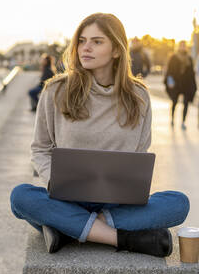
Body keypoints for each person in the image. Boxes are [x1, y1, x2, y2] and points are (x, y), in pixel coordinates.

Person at [10, 13, 189, 256]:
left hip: (117, 203)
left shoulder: (139, 97)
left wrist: (129, 186)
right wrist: (55, 181)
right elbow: (40, 148)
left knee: (178, 203)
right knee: (20, 197)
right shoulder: (56, 90)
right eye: (82, 40)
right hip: (66, 199)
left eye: (96, 41)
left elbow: (139, 154)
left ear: (116, 50)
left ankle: (67, 229)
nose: (86, 48)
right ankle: (124, 238)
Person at [164, 41, 197, 130]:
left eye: (184, 46)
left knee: (186, 103)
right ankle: (172, 119)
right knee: (174, 102)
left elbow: (191, 73)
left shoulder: (189, 58)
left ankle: (183, 121)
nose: (183, 47)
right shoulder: (173, 57)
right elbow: (169, 71)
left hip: (186, 84)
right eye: (181, 46)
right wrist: (170, 82)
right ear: (178, 47)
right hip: (176, 84)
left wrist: (193, 84)